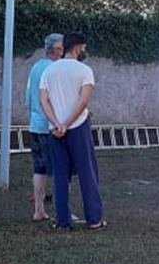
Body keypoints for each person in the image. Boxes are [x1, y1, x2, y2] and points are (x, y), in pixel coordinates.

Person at [39, 32, 106, 230]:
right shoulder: (84, 70)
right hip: (78, 126)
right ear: (77, 48)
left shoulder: (49, 71)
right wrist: (67, 123)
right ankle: (94, 219)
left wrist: (57, 123)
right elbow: (84, 100)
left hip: (55, 129)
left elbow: (44, 100)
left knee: (60, 175)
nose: (84, 51)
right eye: (83, 48)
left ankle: (63, 221)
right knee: (87, 172)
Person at [25, 33, 64, 222]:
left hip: (35, 124)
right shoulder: (53, 69)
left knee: (39, 168)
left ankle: (38, 210)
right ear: (56, 50)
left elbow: (28, 99)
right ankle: (62, 210)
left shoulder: (36, 67)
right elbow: (56, 99)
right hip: (50, 125)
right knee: (59, 168)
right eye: (62, 48)